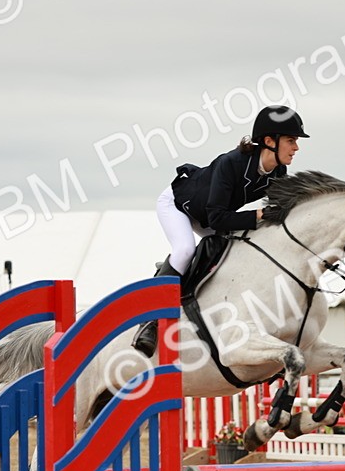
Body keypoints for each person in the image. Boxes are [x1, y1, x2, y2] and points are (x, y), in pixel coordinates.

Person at [132, 105, 309, 356]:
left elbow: (278, 212)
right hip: (179, 205)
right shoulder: (231, 163)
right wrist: (258, 215)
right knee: (185, 250)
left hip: (211, 214)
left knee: (240, 252)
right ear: (270, 141)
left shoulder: (278, 172)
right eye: (291, 140)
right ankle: (148, 320)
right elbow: (217, 219)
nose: (296, 147)